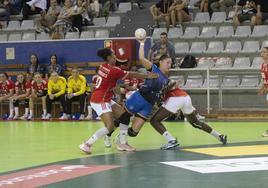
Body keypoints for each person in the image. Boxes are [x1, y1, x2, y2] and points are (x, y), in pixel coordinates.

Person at [79, 48, 158, 154]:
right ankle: (87, 144)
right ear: (108, 58)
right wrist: (147, 76)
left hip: (104, 97)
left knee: (124, 116)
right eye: (114, 55)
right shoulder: (114, 70)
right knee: (109, 126)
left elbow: (117, 74)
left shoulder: (103, 66)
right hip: (100, 100)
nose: (116, 57)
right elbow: (131, 74)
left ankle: (123, 143)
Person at [150, 80, 227, 150]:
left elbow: (173, 82)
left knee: (154, 121)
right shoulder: (156, 83)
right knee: (196, 122)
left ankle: (171, 140)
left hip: (176, 98)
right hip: (186, 97)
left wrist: (165, 91)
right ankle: (219, 136)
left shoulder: (155, 82)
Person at [258, 47, 268, 137]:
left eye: (264, 52)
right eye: (262, 52)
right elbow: (264, 78)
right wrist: (262, 87)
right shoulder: (262, 65)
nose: (262, 54)